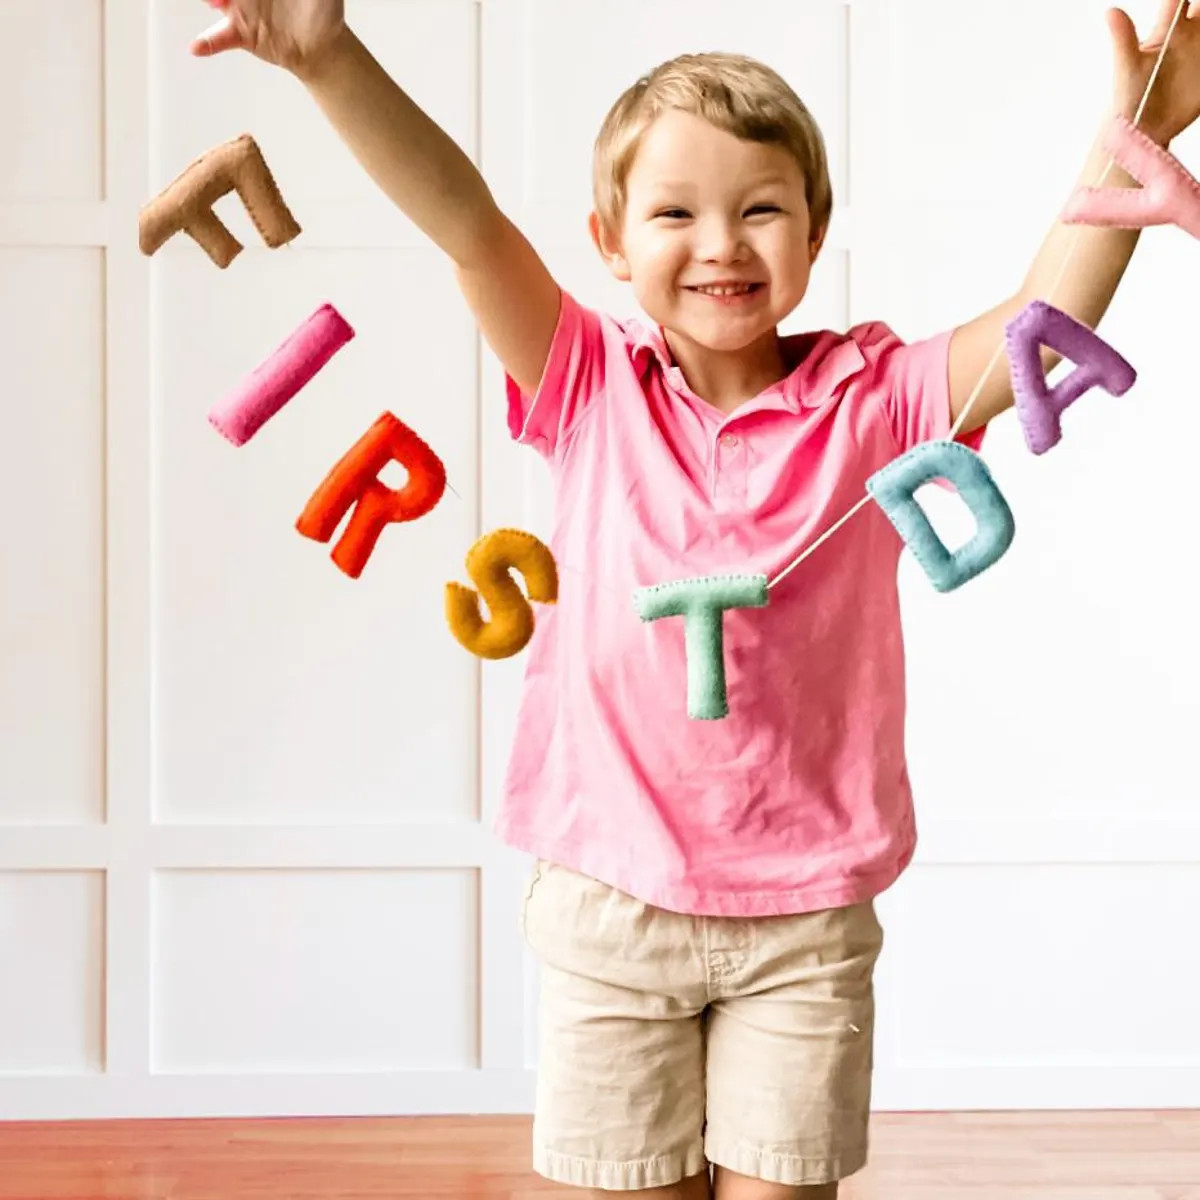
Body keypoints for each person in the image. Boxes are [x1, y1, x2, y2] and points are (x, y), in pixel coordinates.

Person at [190, 3, 1200, 1197]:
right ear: (610, 241)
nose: (720, 241)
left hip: (805, 918)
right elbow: (466, 226)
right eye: (674, 212)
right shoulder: (586, 383)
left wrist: (1137, 125)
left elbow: (1047, 317)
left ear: (815, 233)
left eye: (760, 207)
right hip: (610, 905)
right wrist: (327, 59)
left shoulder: (870, 395)